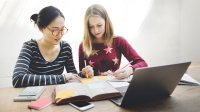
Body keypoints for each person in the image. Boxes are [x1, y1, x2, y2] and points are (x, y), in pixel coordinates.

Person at [12, 6, 81, 88]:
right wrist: (62, 78)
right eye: (55, 30)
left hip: (58, 96)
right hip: (35, 98)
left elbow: (72, 76)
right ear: (41, 28)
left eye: (62, 29)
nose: (60, 34)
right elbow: (17, 79)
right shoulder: (30, 47)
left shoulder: (65, 48)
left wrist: (83, 74)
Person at [79, 4, 148, 79]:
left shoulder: (119, 41)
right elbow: (81, 76)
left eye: (99, 25)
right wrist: (85, 73)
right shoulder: (83, 45)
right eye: (91, 27)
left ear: (106, 22)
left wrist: (129, 70)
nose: (96, 30)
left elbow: (143, 63)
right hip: (94, 88)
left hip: (115, 85)